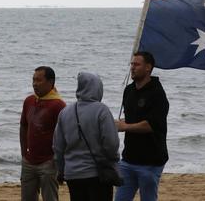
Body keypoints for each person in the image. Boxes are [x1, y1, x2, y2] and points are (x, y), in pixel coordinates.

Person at [53, 72, 120, 201]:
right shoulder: (102, 110)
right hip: (97, 174)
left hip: (73, 174)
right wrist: (113, 161)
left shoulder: (65, 112)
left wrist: (61, 170)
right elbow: (111, 144)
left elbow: (58, 146)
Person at [115, 51, 169, 201]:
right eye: (132, 64)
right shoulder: (129, 90)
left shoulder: (157, 93)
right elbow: (132, 119)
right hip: (128, 159)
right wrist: (116, 124)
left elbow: (151, 125)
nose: (132, 67)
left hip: (150, 161)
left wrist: (124, 127)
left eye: (137, 64)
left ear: (148, 68)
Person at [20, 66, 66, 201]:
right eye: (33, 80)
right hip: (29, 161)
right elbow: (23, 126)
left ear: (50, 82)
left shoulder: (59, 105)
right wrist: (24, 153)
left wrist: (59, 163)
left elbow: (64, 136)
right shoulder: (29, 101)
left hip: (49, 162)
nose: (34, 83)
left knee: (50, 198)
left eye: (39, 80)